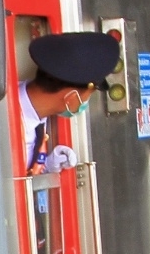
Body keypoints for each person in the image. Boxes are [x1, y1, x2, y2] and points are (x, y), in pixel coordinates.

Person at [18, 30, 123, 172]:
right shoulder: (7, 122)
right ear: (70, 98)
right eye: (87, 96)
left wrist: (47, 166)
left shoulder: (37, 117)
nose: (85, 103)